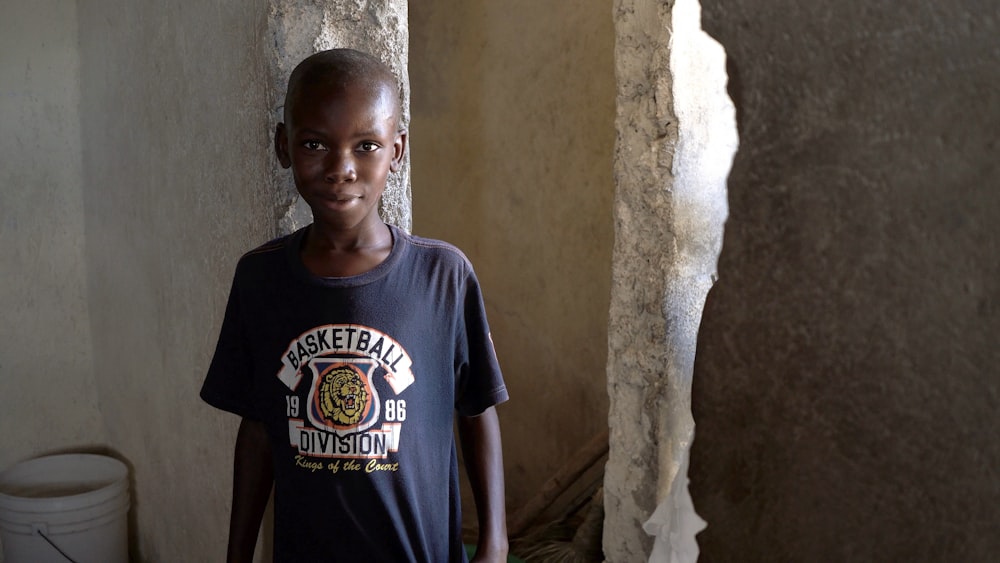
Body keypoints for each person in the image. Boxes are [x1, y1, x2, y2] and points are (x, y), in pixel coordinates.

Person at [201, 48, 509, 563]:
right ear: (284, 146)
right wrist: (237, 554)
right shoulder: (260, 278)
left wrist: (495, 543)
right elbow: (256, 429)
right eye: (315, 143)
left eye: (366, 145)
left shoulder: (442, 276)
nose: (341, 168)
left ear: (397, 150)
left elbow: (477, 408)